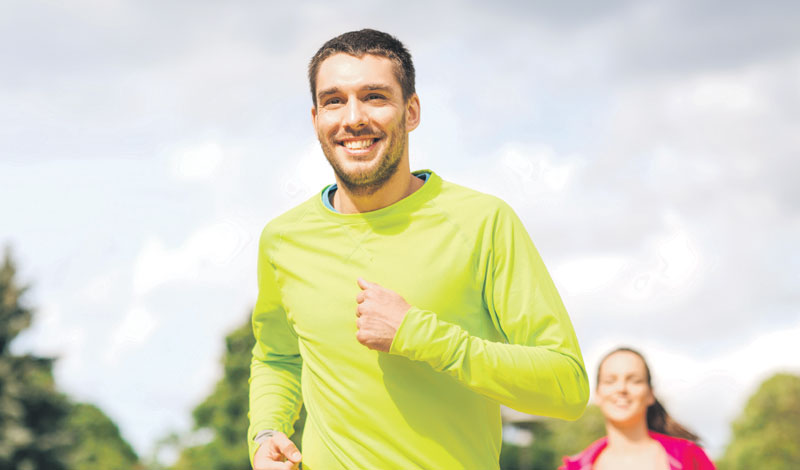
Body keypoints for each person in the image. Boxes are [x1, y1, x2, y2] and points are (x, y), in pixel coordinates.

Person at [248, 28, 589, 470]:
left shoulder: (482, 222)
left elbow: (567, 388)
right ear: (316, 119)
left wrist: (421, 335)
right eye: (334, 101)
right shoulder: (283, 239)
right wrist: (266, 431)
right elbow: (277, 356)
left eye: (374, 97)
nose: (353, 117)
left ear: (411, 112)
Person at [561, 347, 715, 470]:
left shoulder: (690, 457)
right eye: (610, 381)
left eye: (634, 380)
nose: (621, 388)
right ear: (597, 394)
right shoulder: (574, 467)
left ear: (650, 394)